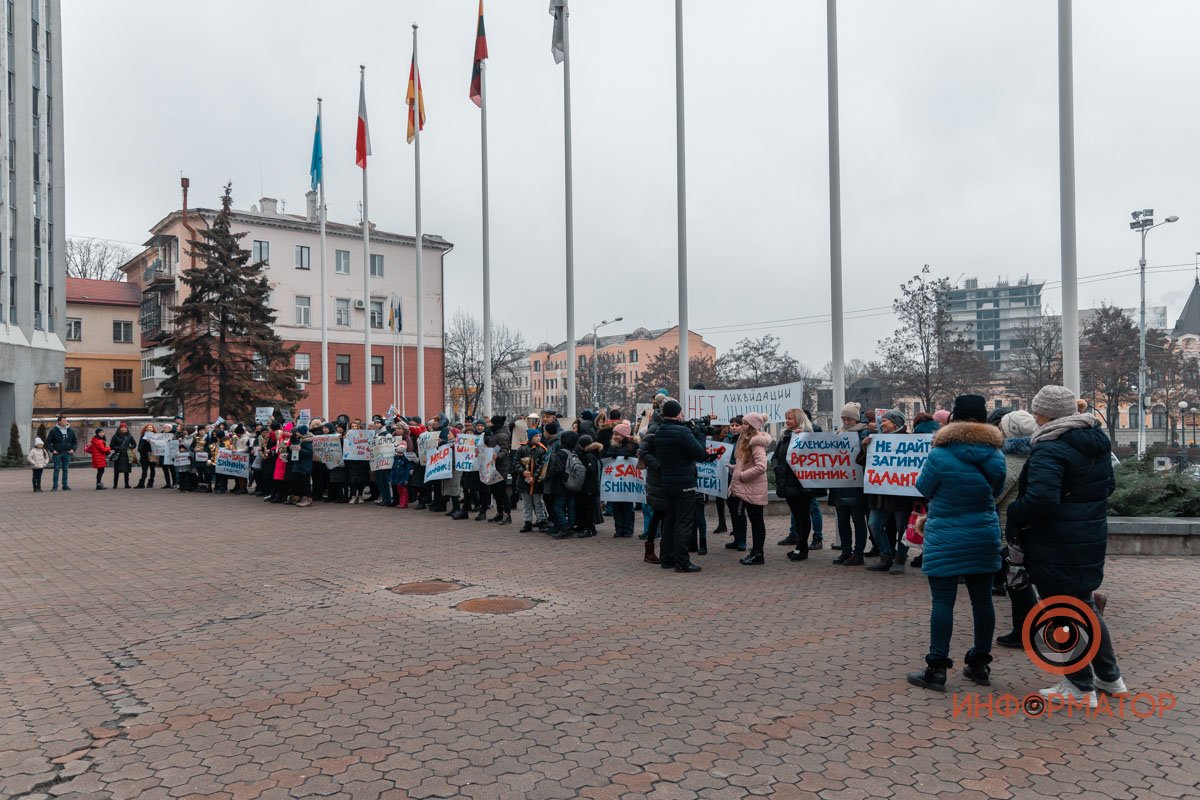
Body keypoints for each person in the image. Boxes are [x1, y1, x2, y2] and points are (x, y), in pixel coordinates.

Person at [1007, 385, 1125, 707]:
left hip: (1055, 541)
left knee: (1063, 611)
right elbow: (1109, 486)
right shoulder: (1096, 442)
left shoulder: (1050, 446)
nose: (1035, 415)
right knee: (1083, 605)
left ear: (1046, 413)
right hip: (1087, 537)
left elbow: (1042, 500)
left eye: (1037, 410)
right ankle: (1110, 677)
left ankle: (1079, 686)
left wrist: (1015, 512)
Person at [906, 394, 1005, 692]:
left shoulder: (939, 454)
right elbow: (996, 491)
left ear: (954, 419)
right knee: (983, 600)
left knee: (943, 601)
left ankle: (936, 668)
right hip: (983, 532)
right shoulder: (996, 455)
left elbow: (923, 487)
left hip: (946, 532)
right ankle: (979, 664)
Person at [639, 399, 708, 572]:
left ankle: (666, 558)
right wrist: (700, 434)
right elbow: (699, 453)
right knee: (683, 522)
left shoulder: (660, 431)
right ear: (678, 413)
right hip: (684, 481)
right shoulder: (683, 432)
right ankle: (682, 562)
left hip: (667, 482)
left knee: (669, 521)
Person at [993, 410, 1038, 648]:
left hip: (1007, 529)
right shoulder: (1034, 455)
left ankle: (1024, 631)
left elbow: (996, 494)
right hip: (1022, 526)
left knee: (1017, 584)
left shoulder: (1010, 460)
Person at [861, 409, 913, 573]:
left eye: (885, 421)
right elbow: (863, 463)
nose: (881, 424)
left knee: (902, 528)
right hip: (881, 495)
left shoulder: (911, 441)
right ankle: (885, 556)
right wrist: (865, 448)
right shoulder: (876, 440)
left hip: (901, 496)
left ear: (896, 423)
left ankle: (899, 560)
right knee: (874, 525)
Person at [773, 408, 816, 563]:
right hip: (788, 482)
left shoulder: (808, 435)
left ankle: (802, 547)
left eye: (790, 418)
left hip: (802, 484)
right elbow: (777, 456)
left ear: (798, 419)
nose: (787, 422)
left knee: (803, 515)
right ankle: (799, 545)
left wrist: (803, 436)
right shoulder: (785, 436)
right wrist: (778, 469)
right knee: (796, 516)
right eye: (786, 419)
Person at [829, 403, 870, 566]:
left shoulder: (864, 433)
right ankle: (845, 551)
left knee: (858, 520)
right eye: (843, 418)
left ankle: (858, 552)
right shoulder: (840, 433)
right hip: (840, 483)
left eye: (848, 418)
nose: (845, 421)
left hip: (856, 484)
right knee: (842, 520)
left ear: (855, 419)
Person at [730, 412, 772, 566]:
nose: (743, 426)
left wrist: (741, 476)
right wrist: (735, 469)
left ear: (752, 426)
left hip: (754, 487)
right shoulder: (747, 441)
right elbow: (748, 464)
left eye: (746, 423)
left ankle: (758, 554)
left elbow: (761, 467)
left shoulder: (756, 442)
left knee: (756, 521)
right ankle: (755, 551)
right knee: (755, 520)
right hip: (751, 486)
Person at [605, 423, 639, 537]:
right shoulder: (613, 446)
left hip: (627, 482)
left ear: (624, 435)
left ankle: (628, 529)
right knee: (616, 507)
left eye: (617, 434)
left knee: (627, 507)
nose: (614, 436)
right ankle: (619, 529)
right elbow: (606, 457)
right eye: (614, 434)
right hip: (616, 482)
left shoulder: (632, 446)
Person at [545, 429, 580, 539]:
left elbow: (558, 469)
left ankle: (563, 528)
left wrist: (547, 474)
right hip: (571, 484)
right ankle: (569, 527)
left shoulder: (561, 453)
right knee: (570, 507)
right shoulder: (574, 452)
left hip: (560, 485)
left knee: (558, 507)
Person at [517, 428, 550, 532]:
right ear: (531, 437)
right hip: (524, 481)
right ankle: (528, 522)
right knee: (527, 504)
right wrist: (523, 472)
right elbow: (515, 462)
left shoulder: (542, 449)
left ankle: (542, 522)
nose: (538, 438)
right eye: (536, 436)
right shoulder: (522, 449)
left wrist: (534, 477)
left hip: (537, 482)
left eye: (539, 436)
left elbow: (542, 466)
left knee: (538, 503)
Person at [575, 434, 603, 537]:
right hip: (593, 486)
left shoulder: (589, 456)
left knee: (588, 508)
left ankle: (588, 529)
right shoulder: (595, 453)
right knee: (590, 507)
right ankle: (591, 528)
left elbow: (591, 471)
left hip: (589, 486)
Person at [46, 414, 77, 491]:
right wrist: (52, 450)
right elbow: (48, 442)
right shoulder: (53, 431)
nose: (65, 422)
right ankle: (55, 486)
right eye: (64, 420)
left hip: (67, 453)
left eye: (66, 420)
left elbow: (75, 442)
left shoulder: (70, 431)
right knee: (56, 469)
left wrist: (73, 449)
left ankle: (65, 485)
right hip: (57, 453)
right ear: (59, 422)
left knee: (65, 469)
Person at [135, 424, 158, 488]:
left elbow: (158, 445)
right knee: (144, 470)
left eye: (151, 427)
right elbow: (140, 445)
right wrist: (140, 449)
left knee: (152, 469)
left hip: (152, 454)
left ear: (153, 429)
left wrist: (152, 442)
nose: (149, 428)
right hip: (144, 455)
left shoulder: (156, 436)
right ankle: (141, 483)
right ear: (146, 428)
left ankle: (150, 483)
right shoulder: (143, 436)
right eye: (148, 427)